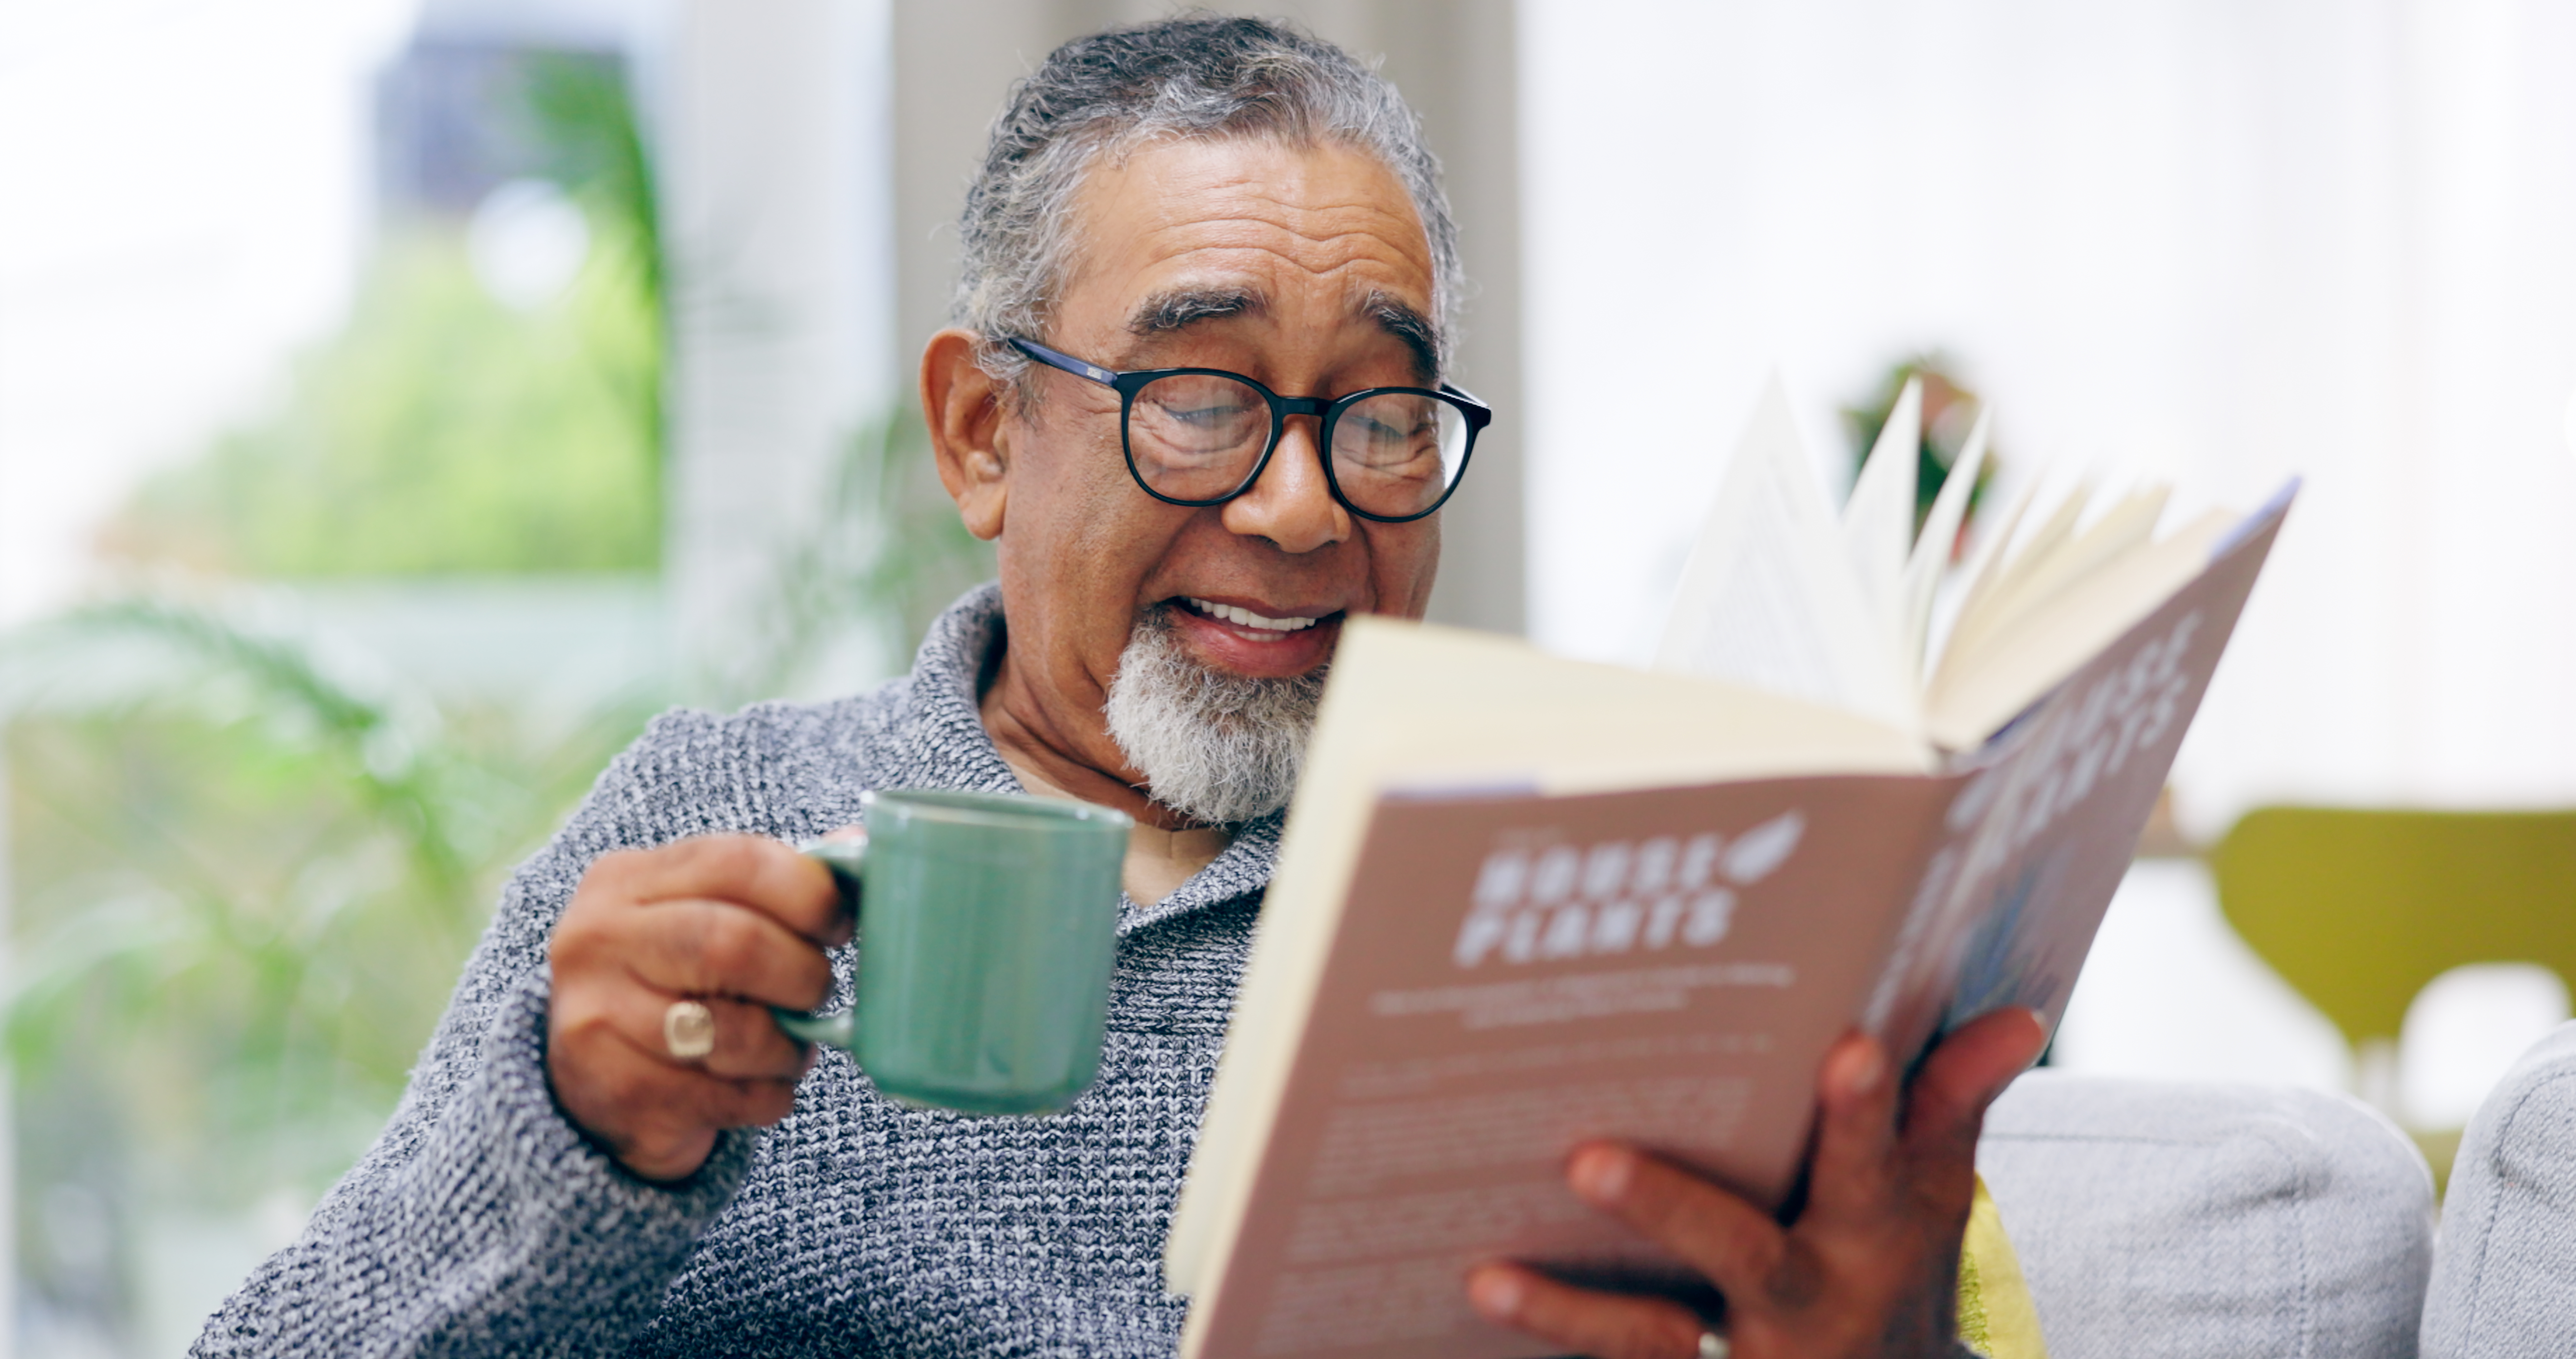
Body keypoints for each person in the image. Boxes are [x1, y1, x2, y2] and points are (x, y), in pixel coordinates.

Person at [193, 16, 2044, 1358]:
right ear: (985, 432)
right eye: (1202, 398)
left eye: (1381, 416)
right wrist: (575, 1138)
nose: (1306, 505)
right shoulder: (710, 825)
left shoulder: (1614, 882)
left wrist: (1878, 1349)